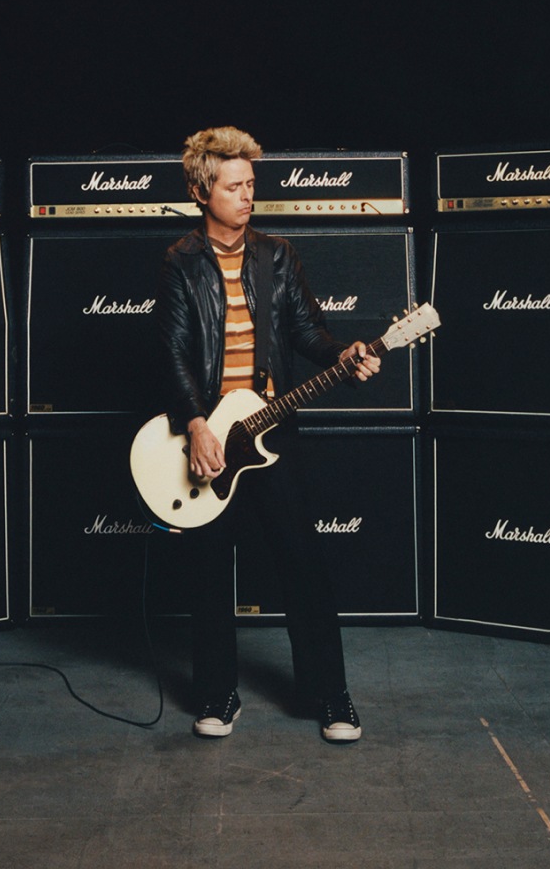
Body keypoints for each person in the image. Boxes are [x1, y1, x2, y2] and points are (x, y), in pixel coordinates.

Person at [155, 126, 380, 742]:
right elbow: (173, 352)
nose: (248, 195)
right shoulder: (180, 261)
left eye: (252, 184)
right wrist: (196, 423)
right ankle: (216, 694)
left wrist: (347, 353)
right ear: (203, 191)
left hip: (271, 434)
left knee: (304, 567)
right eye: (235, 185)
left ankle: (331, 698)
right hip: (205, 441)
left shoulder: (277, 255)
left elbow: (309, 334)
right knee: (208, 573)